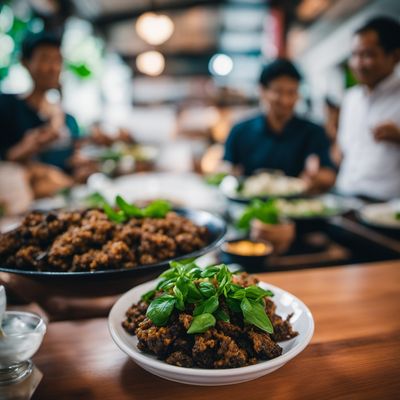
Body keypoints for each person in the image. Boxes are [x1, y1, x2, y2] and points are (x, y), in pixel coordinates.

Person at [223, 59, 336, 193]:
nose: (285, 100)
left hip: (298, 206)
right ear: (262, 91)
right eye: (278, 91)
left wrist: (315, 177)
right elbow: (226, 168)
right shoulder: (240, 131)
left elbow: (329, 175)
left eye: (291, 92)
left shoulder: (314, 132)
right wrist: (228, 174)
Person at [336, 17, 400, 200]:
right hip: (344, 197)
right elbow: (344, 151)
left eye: (367, 55)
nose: (357, 64)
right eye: (354, 55)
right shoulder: (351, 98)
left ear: (395, 56)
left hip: (386, 207)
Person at [0, 32, 79, 172]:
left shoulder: (68, 119)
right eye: (45, 59)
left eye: (58, 60)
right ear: (25, 62)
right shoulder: (7, 107)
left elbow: (73, 159)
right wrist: (27, 147)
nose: (54, 68)